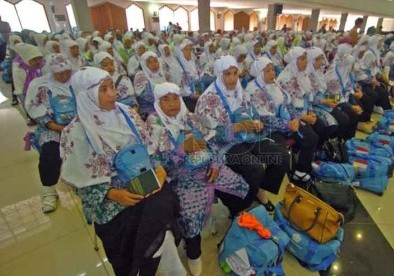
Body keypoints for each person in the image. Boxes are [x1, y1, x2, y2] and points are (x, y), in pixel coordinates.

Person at [60, 67, 186, 276]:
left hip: (144, 180)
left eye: (112, 87)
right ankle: (138, 266)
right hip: (113, 199)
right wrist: (113, 194)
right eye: (103, 90)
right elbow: (79, 181)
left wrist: (160, 168)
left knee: (163, 205)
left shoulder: (126, 114)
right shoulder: (75, 132)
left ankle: (153, 264)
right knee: (135, 233)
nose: (112, 94)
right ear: (87, 95)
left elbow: (149, 147)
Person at [147, 82, 248, 276]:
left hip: (209, 166)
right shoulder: (155, 126)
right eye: (165, 99)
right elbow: (160, 165)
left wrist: (217, 163)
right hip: (181, 177)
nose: (172, 103)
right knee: (190, 215)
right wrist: (181, 150)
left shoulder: (191, 118)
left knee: (239, 184)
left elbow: (213, 143)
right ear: (158, 104)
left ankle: (236, 222)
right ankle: (194, 254)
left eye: (175, 97)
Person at [196, 55, 290, 213]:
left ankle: (258, 189)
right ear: (220, 75)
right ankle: (240, 206)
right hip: (225, 144)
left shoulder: (241, 91)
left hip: (248, 136)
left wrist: (256, 122)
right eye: (227, 74)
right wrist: (236, 128)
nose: (233, 79)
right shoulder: (208, 100)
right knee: (254, 168)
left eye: (235, 73)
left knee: (282, 156)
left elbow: (252, 113)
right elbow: (207, 134)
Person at [247, 57, 319, 186]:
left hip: (287, 122)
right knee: (282, 157)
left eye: (273, 70)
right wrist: (288, 124)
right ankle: (265, 187)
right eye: (267, 71)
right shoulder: (253, 90)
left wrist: (296, 119)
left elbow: (288, 103)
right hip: (269, 129)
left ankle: (300, 170)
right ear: (259, 73)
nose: (272, 73)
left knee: (311, 136)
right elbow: (264, 118)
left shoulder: (275, 84)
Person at [24, 54, 76, 213]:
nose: (65, 76)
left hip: (76, 125)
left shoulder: (76, 81)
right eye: (61, 73)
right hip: (51, 127)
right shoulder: (40, 85)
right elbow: (32, 106)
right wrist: (55, 126)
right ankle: (49, 192)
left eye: (68, 72)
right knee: (50, 154)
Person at [133, 51, 167, 119]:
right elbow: (145, 95)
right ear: (144, 64)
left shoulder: (162, 74)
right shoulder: (141, 76)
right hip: (149, 111)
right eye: (149, 62)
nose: (154, 64)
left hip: (165, 107)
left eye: (155, 61)